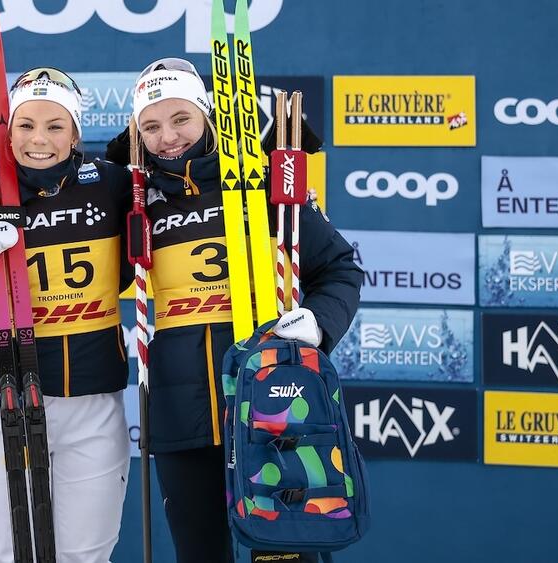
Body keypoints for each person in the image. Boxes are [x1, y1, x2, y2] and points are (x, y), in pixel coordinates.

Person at [110, 57, 363, 563]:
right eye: (151, 126)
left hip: (273, 401)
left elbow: (340, 268)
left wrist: (316, 324)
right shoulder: (135, 199)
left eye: (181, 118)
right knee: (200, 551)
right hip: (182, 412)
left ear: (206, 114)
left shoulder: (262, 185)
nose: (168, 137)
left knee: (284, 551)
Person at [0, 67, 134, 563]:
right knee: (8, 549)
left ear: (76, 134)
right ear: (8, 133)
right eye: (25, 125)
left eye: (55, 125)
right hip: (7, 392)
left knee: (86, 552)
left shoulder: (112, 185)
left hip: (92, 397)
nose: (39, 139)